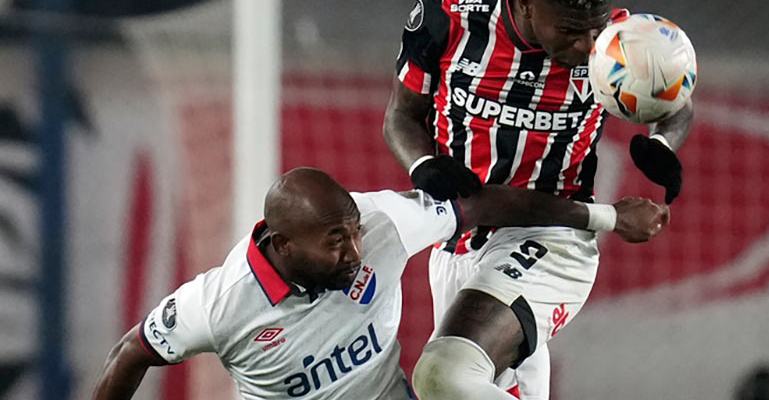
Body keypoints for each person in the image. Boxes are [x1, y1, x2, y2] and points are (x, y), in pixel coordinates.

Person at [383, 0, 694, 398]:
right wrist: (424, 164)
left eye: (595, 29)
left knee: (444, 373)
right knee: (468, 387)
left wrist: (664, 144)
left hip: (555, 237)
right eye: (570, 30)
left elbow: (676, 101)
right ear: (528, 3)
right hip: (456, 241)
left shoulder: (622, 41)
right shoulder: (453, 6)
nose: (586, 46)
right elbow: (401, 115)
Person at [91, 167, 667, 399]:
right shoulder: (220, 304)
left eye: (353, 232)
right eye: (336, 241)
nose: (355, 250)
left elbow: (482, 204)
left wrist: (606, 217)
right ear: (283, 245)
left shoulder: (384, 222)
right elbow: (130, 351)